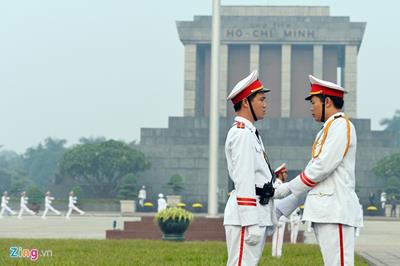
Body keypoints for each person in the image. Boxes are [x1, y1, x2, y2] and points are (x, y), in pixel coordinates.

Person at [275, 75, 363, 266]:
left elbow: (321, 168)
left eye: (314, 102)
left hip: (336, 209)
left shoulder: (341, 125)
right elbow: (312, 173)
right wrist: (282, 207)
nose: (311, 107)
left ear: (328, 102)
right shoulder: (326, 130)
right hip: (326, 210)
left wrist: (287, 188)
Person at [223, 70, 288, 266]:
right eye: (261, 99)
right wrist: (250, 222)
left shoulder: (250, 133)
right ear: (245, 102)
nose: (265, 104)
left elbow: (261, 180)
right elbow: (244, 180)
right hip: (246, 217)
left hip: (255, 212)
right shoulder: (242, 134)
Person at [271, 163, 289, 258]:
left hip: (281, 215)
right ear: (279, 174)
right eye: (284, 173)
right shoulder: (277, 185)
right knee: (277, 236)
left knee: (279, 237)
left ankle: (277, 254)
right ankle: (276, 255)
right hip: (278, 215)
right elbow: (277, 202)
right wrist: (276, 217)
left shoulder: (280, 184)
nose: (286, 175)